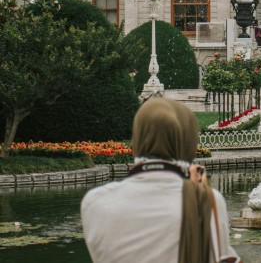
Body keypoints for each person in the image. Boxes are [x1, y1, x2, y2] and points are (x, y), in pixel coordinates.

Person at [81, 98, 240, 263]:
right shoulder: (210, 201)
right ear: (189, 143)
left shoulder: (96, 201)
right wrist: (199, 196)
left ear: (138, 138)